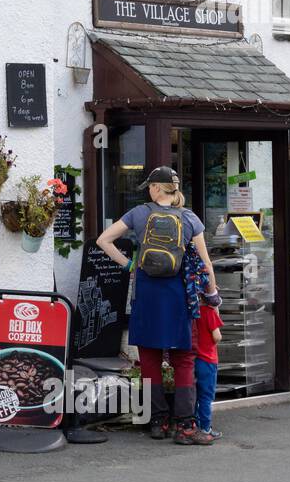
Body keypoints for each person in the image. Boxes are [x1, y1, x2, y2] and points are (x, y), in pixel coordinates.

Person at [95, 166, 216, 445]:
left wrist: (130, 265)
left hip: (146, 296)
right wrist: (212, 295)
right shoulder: (189, 218)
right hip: (179, 297)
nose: (149, 190)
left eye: (150, 186)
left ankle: (158, 422)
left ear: (157, 188)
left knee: (149, 360)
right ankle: (186, 426)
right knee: (183, 359)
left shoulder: (139, 214)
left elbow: (104, 240)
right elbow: (206, 264)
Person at [193, 288, 224, 444]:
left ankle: (195, 425)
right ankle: (206, 428)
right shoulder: (210, 313)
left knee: (195, 396)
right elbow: (217, 336)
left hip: (195, 358)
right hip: (208, 359)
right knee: (206, 396)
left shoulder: (195, 311)